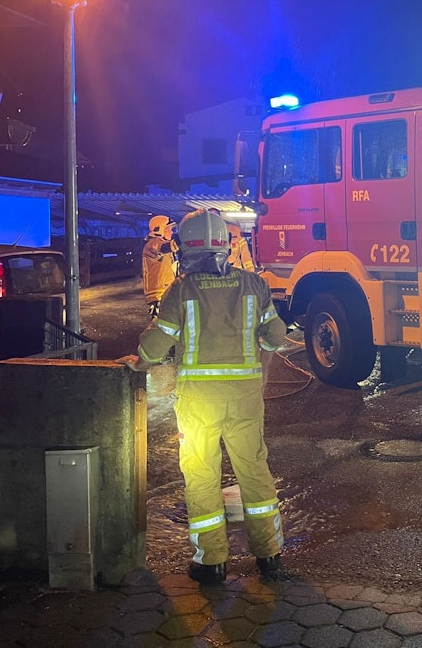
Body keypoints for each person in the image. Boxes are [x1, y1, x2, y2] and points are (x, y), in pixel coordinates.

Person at [129, 209, 290, 585]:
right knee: (254, 471)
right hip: (246, 399)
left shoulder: (182, 291)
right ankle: (270, 557)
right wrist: (263, 355)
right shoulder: (254, 285)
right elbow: (276, 335)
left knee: (201, 476)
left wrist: (138, 363)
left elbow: (155, 348)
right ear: (225, 246)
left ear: (186, 249)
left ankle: (212, 563)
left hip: (199, 403)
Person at [142, 215, 178, 318]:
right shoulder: (153, 244)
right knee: (160, 325)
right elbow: (166, 247)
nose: (171, 232)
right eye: (169, 229)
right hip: (158, 294)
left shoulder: (160, 243)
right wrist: (184, 240)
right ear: (160, 229)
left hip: (165, 291)